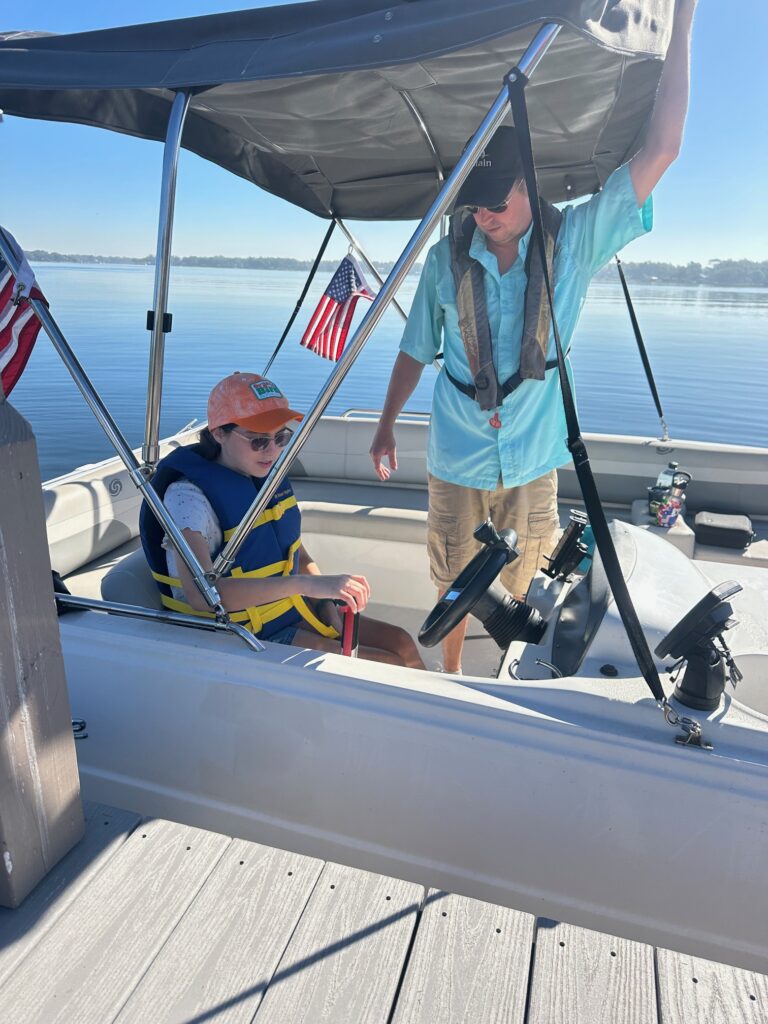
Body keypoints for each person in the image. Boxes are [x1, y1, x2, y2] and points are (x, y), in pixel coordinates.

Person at [370, 0, 698, 673]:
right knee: (456, 581)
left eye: (497, 197)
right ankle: (454, 678)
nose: (484, 212)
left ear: (532, 186)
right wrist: (384, 426)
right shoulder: (445, 256)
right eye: (474, 201)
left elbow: (662, 148)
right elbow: (414, 349)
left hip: (534, 458)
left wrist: (684, 21)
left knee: (525, 589)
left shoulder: (573, 242)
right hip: (454, 455)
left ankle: (508, 683)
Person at [140, 371, 425, 669]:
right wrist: (308, 587)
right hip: (234, 630)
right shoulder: (188, 500)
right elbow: (201, 596)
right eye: (259, 440)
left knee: (401, 643)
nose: (273, 450)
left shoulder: (261, 478)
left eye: (281, 437)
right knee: (387, 665)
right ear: (219, 433)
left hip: (285, 608)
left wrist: (325, 600)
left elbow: (294, 552)